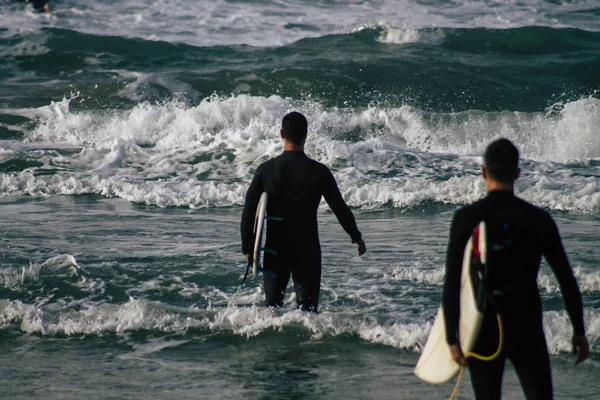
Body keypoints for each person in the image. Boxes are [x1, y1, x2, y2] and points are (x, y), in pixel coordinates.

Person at [442, 138, 589, 399]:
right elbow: (566, 278)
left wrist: (451, 338)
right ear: (517, 173)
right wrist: (578, 330)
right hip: (526, 323)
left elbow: (452, 281)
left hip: (484, 325)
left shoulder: (467, 218)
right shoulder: (538, 219)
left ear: (484, 171)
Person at [240, 111, 366, 313]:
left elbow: (249, 212)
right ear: (306, 135)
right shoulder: (319, 171)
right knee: (309, 313)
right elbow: (339, 208)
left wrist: (247, 247)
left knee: (271, 310)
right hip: (307, 250)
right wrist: (356, 236)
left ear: (282, 134)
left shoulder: (266, 170)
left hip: (275, 250)